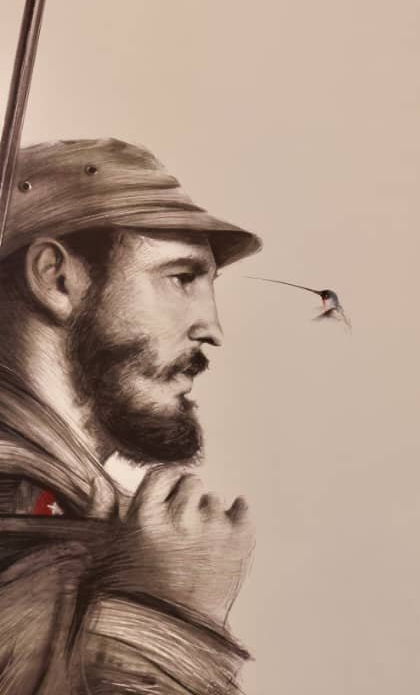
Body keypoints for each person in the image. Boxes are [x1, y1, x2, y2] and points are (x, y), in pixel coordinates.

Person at [0, 138, 262, 694]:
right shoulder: (23, 530)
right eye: (181, 278)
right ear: (56, 278)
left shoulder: (83, 515)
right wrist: (166, 619)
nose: (211, 329)